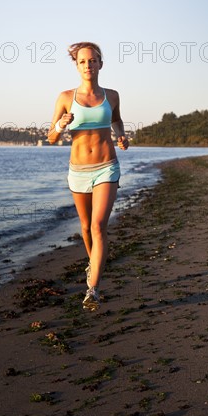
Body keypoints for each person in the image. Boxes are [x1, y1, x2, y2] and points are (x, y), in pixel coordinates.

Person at [48, 42, 129, 311]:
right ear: (77, 65)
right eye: (83, 61)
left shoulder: (112, 95)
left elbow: (116, 119)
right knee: (85, 228)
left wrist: (121, 135)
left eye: (93, 60)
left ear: (100, 64)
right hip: (78, 171)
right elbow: (51, 138)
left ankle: (92, 290)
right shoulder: (64, 97)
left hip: (107, 166)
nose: (88, 65)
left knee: (98, 227)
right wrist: (61, 124)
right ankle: (93, 265)